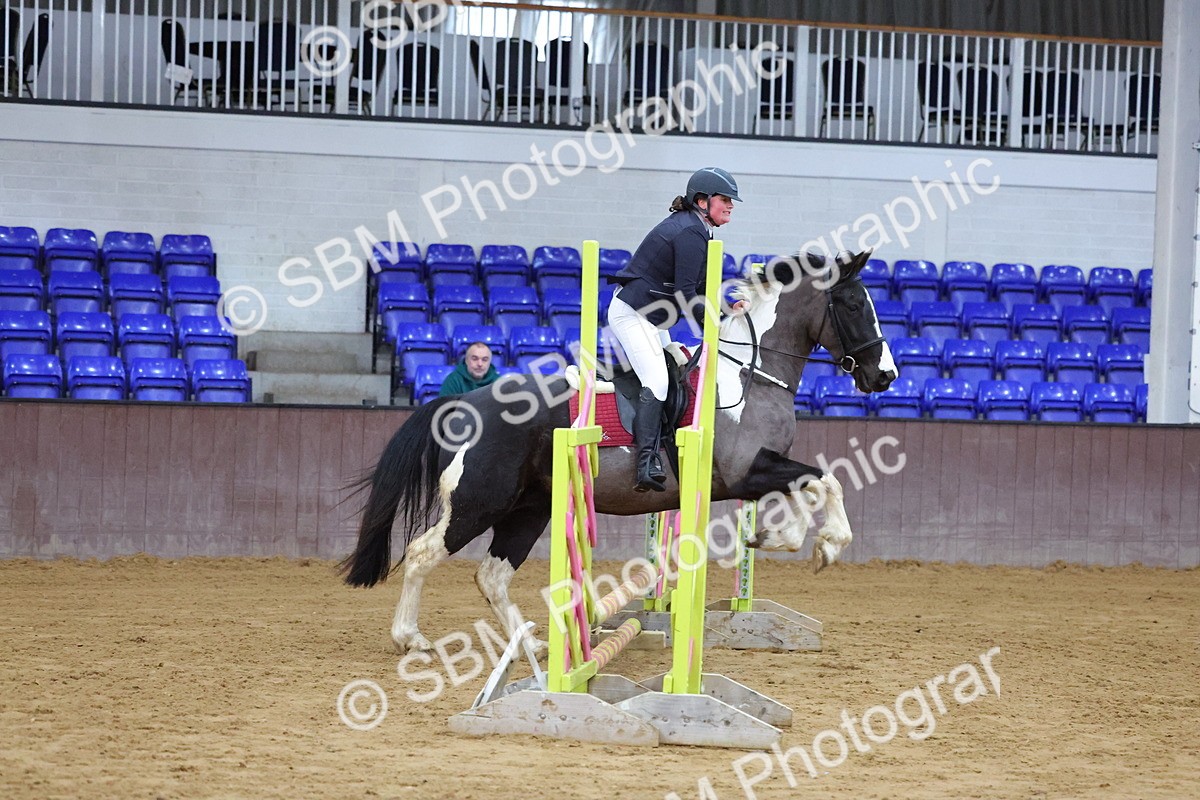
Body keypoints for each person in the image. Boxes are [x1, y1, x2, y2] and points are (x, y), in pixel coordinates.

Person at [606, 166, 745, 493]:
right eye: (725, 199)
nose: (730, 205)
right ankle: (645, 463)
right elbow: (686, 292)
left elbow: (700, 288)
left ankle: (662, 445)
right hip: (633, 314)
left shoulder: (700, 229)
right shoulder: (690, 232)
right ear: (703, 201)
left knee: (673, 375)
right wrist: (714, 328)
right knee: (657, 380)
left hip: (651, 317)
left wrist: (727, 309)